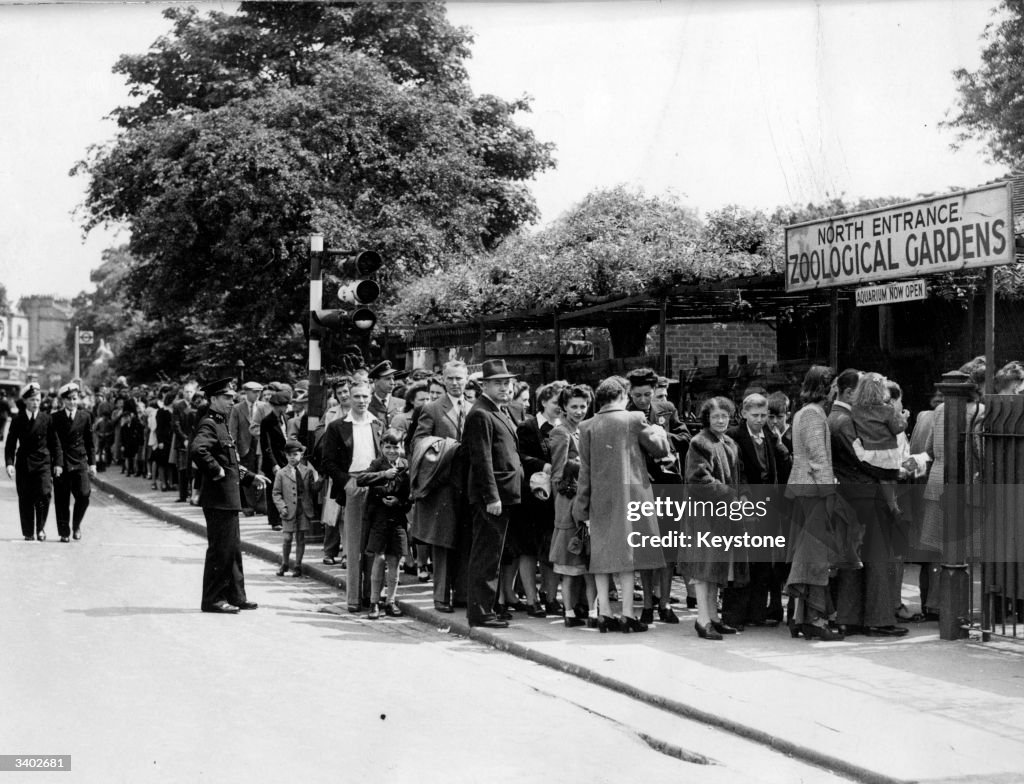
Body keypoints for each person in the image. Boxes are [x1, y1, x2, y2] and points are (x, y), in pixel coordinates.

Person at [574, 376, 670, 633]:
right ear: (623, 396)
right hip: (632, 496)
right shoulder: (634, 419)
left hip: (600, 498)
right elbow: (660, 449)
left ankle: (604, 612)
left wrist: (581, 506)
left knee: (603, 555)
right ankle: (628, 614)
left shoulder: (586, 426)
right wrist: (660, 431)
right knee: (629, 558)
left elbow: (585, 471)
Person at [830, 369, 907, 637]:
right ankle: (878, 619)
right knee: (877, 558)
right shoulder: (844, 420)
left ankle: (850, 618)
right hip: (865, 493)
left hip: (850, 493)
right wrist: (892, 471)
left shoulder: (842, 417)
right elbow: (864, 460)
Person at [190, 378, 268, 613]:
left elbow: (231, 462)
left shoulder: (222, 424)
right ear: (213, 399)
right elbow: (198, 450)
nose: (231, 402)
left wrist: (251, 476)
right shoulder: (209, 424)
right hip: (218, 498)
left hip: (227, 497)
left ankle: (235, 595)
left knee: (232, 549)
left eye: (233, 398)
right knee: (220, 550)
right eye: (226, 398)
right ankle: (213, 599)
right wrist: (215, 470)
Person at [783, 366, 846, 641]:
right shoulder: (812, 413)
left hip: (805, 488)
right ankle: (814, 620)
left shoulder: (806, 412)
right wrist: (829, 493)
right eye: (833, 387)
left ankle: (802, 617)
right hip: (813, 491)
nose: (835, 392)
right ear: (824, 387)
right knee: (815, 556)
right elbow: (818, 457)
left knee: (807, 554)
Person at [462, 359, 525, 628]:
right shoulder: (481, 413)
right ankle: (480, 611)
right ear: (485, 385)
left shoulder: (499, 410)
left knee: (494, 553)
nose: (505, 387)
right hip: (493, 497)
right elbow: (481, 459)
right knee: (486, 554)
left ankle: (487, 606)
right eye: (498, 382)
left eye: (507, 382)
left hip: (505, 494)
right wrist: (492, 497)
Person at [625, 367, 690, 625]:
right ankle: (648, 605)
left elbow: (685, 436)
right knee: (645, 546)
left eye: (647, 394)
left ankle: (665, 603)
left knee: (669, 546)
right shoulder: (626, 415)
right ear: (630, 392)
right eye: (638, 394)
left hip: (668, 484)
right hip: (641, 486)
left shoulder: (666, 410)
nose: (643, 399)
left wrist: (664, 436)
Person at [721, 392, 791, 628]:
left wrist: (778, 441)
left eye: (764, 415)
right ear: (743, 414)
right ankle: (735, 614)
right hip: (745, 502)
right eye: (755, 415)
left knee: (763, 560)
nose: (760, 420)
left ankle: (757, 612)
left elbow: (782, 463)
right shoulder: (734, 436)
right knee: (742, 561)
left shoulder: (770, 435)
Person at [410, 360, 472, 613]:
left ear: (466, 379)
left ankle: (462, 595)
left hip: (468, 485)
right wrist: (446, 447)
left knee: (465, 540)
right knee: (443, 542)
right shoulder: (432, 409)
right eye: (450, 378)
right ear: (443, 380)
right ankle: (441, 597)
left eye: (459, 378)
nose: (455, 383)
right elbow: (419, 443)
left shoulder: (474, 408)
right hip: (443, 485)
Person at [683, 396, 744, 640]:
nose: (720, 420)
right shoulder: (699, 442)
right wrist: (730, 494)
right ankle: (702, 619)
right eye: (715, 416)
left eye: (724, 416)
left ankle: (714, 618)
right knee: (703, 568)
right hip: (703, 515)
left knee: (716, 569)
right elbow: (698, 480)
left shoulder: (729, 442)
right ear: (706, 418)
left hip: (722, 514)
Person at [321, 379, 383, 612]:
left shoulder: (377, 424)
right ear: (348, 398)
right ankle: (354, 598)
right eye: (356, 396)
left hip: (376, 484)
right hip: (353, 484)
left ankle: (372, 596)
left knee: (373, 544)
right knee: (355, 544)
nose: (361, 401)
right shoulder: (338, 426)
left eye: (365, 396)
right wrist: (346, 482)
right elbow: (328, 462)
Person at [548, 384, 597, 627]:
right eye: (574, 406)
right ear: (564, 408)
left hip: (586, 503)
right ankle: (568, 611)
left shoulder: (585, 430)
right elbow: (558, 477)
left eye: (583, 406)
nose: (579, 411)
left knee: (587, 564)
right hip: (569, 504)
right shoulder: (561, 433)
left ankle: (588, 610)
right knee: (570, 562)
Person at [358, 430, 411, 619]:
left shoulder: (405, 466)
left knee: (395, 561)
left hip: (397, 520)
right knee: (378, 560)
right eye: (387, 447)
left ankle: (391, 601)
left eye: (396, 447)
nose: (392, 451)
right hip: (379, 520)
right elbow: (361, 479)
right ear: (381, 447)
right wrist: (384, 474)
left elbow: (409, 497)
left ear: (401, 447)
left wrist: (399, 502)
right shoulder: (377, 464)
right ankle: (374, 602)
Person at [5, 383, 61, 541]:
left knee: (44, 494)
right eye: (32, 400)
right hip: (24, 464)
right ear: (25, 401)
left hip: (43, 463)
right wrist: (9, 463)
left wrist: (57, 463)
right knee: (25, 498)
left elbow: (55, 444)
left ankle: (41, 527)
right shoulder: (18, 420)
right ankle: (28, 531)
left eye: (37, 399)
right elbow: (10, 444)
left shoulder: (47, 419)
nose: (35, 403)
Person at [850, 372, 909, 514]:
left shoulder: (856, 409)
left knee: (883, 479)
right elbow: (897, 428)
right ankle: (893, 504)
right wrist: (903, 419)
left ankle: (892, 505)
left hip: (869, 452)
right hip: (888, 452)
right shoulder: (887, 410)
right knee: (890, 478)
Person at [51, 383, 97, 542]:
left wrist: (92, 463)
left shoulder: (85, 416)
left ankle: (76, 525)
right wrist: (54, 463)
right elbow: (53, 443)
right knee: (62, 499)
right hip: (61, 463)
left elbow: (90, 441)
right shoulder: (55, 418)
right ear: (63, 400)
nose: (72, 402)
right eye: (69, 399)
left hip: (80, 461)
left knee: (84, 495)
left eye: (75, 399)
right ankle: (64, 532)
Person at [273, 437, 317, 578]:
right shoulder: (281, 473)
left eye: (295, 455)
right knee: (287, 538)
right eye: (289, 455)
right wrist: (281, 507)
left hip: (303, 509)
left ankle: (298, 565)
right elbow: (276, 493)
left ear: (301, 455)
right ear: (285, 456)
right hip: (288, 510)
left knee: (300, 538)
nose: (292, 458)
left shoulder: (307, 471)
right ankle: (285, 563)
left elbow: (313, 489)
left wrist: (320, 479)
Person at [260, 392, 291, 531]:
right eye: (279, 406)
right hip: (274, 461)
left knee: (286, 490)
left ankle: (284, 517)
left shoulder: (286, 418)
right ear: (273, 406)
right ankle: (274, 520)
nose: (282, 409)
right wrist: (274, 464)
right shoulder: (267, 421)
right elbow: (266, 446)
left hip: (285, 460)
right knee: (274, 490)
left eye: (284, 406)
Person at [367, 361, 403, 429]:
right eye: (388, 379)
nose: (392, 383)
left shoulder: (402, 403)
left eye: (393, 378)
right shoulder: (367, 404)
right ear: (376, 381)